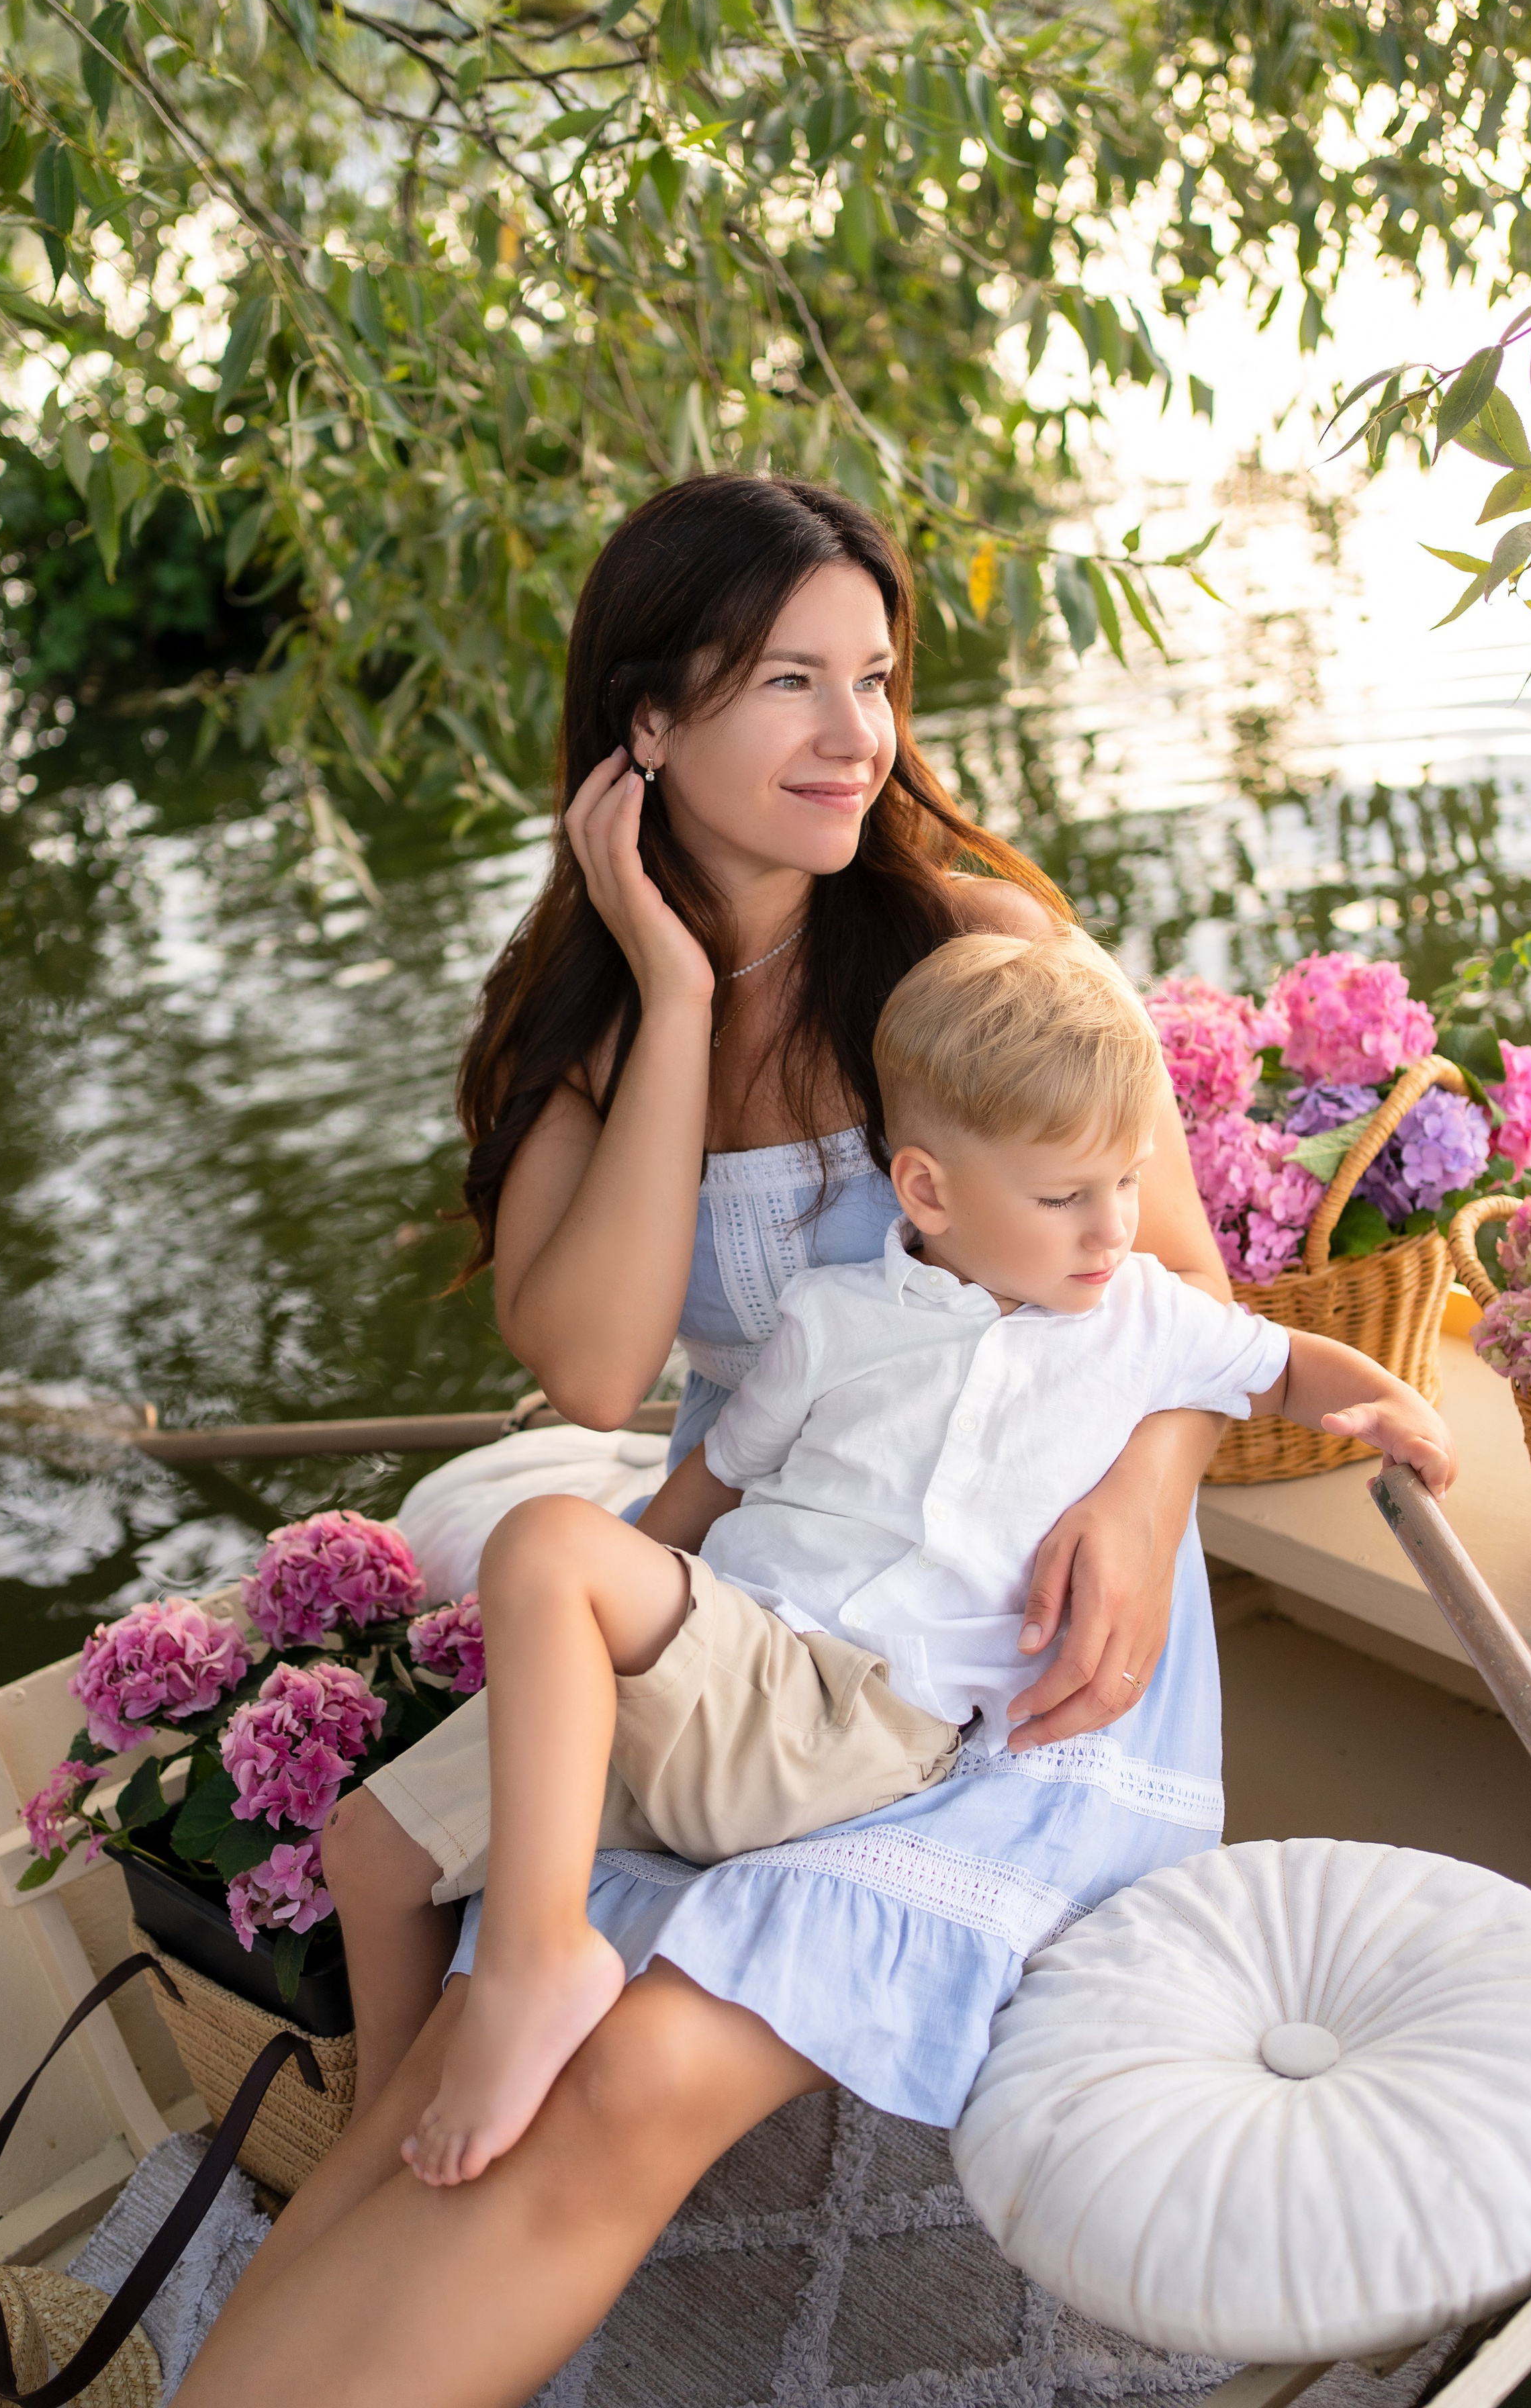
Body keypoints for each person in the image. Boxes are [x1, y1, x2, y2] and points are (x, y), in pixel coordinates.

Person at [175, 475, 1250, 2408]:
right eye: (789, 684)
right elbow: (592, 1373)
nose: (861, 739)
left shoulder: (979, 956)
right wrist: (674, 992)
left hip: (1007, 1643)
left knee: (638, 2072)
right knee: (471, 2078)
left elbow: (1181, 1315)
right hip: (763, 1603)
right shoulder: (577, 1022)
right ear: (647, 725)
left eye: (879, 679)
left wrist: (1147, 1493)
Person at [384, 927, 1455, 2189]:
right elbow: (714, 1482)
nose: (1114, 1228)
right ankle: (393, 2151)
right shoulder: (834, 1320)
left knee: (549, 1541)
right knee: (374, 1849)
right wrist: (580, 1623)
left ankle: (535, 1964)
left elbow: (1278, 1366)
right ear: (929, 1191)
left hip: (851, 1717)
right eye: (1066, 1198)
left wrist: (1390, 1405)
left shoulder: (1139, 1320)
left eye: (1126, 1181)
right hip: (724, 1670)